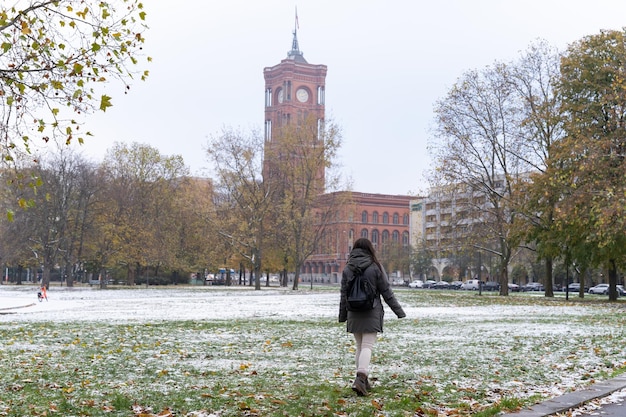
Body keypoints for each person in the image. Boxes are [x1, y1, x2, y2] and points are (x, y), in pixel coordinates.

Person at [338, 238, 406, 396]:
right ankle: (361, 378)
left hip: (353, 312)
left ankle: (363, 381)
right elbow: (386, 291)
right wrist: (399, 311)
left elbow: (343, 295)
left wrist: (343, 315)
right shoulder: (375, 266)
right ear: (370, 249)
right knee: (367, 346)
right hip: (371, 311)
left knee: (360, 347)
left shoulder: (348, 268)